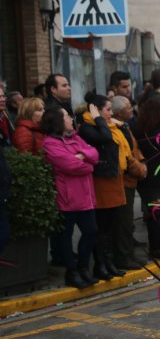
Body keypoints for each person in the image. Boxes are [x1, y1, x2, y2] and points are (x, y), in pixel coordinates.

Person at [41, 106, 99, 288]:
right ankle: (71, 272)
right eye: (67, 116)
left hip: (86, 196)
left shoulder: (76, 137)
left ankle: (83, 267)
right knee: (65, 237)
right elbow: (70, 165)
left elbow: (94, 154)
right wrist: (87, 163)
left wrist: (83, 156)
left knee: (91, 232)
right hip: (67, 198)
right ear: (58, 121)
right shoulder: (50, 143)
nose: (71, 119)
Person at [78, 92, 131, 280]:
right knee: (101, 226)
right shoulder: (87, 127)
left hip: (114, 177)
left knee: (109, 226)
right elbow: (105, 138)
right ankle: (100, 264)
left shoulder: (110, 125)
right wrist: (99, 119)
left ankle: (108, 262)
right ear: (96, 111)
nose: (111, 113)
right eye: (107, 110)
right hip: (101, 181)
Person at [111, 96, 147, 269]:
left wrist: (142, 161)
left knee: (127, 221)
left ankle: (129, 254)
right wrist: (140, 168)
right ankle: (123, 257)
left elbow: (134, 149)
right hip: (123, 182)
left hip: (131, 181)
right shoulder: (115, 129)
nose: (131, 108)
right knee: (122, 223)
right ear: (118, 112)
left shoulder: (125, 127)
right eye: (127, 107)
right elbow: (126, 157)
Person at [134, 99, 160, 260]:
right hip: (157, 180)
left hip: (145, 180)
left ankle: (156, 246)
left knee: (153, 214)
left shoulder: (139, 131)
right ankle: (156, 248)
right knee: (158, 215)